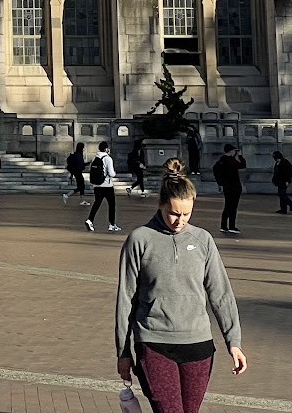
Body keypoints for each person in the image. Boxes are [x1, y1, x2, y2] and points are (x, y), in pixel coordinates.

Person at [116, 162, 247, 413]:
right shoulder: (139, 240)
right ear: (160, 204)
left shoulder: (203, 240)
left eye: (187, 214)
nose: (180, 221)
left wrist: (234, 341)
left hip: (198, 344)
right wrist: (123, 351)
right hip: (154, 342)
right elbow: (125, 301)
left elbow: (220, 294)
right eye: (174, 213)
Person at [87, 140, 120, 233]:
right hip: (107, 185)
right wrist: (114, 173)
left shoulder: (95, 158)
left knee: (97, 203)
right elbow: (112, 173)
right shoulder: (108, 158)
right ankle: (112, 224)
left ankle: (90, 220)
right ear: (106, 149)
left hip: (97, 185)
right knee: (111, 204)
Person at [212, 146, 246, 235]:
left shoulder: (221, 161)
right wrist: (240, 156)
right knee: (233, 207)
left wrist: (220, 182)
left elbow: (215, 170)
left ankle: (223, 226)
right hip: (234, 185)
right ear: (231, 151)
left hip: (227, 186)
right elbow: (242, 165)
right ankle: (231, 226)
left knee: (227, 205)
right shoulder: (231, 161)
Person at [63, 141, 89, 207]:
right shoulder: (79, 155)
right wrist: (88, 163)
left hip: (76, 172)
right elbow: (81, 166)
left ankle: (82, 200)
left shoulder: (76, 154)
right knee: (80, 187)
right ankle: (67, 195)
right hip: (78, 173)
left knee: (81, 186)